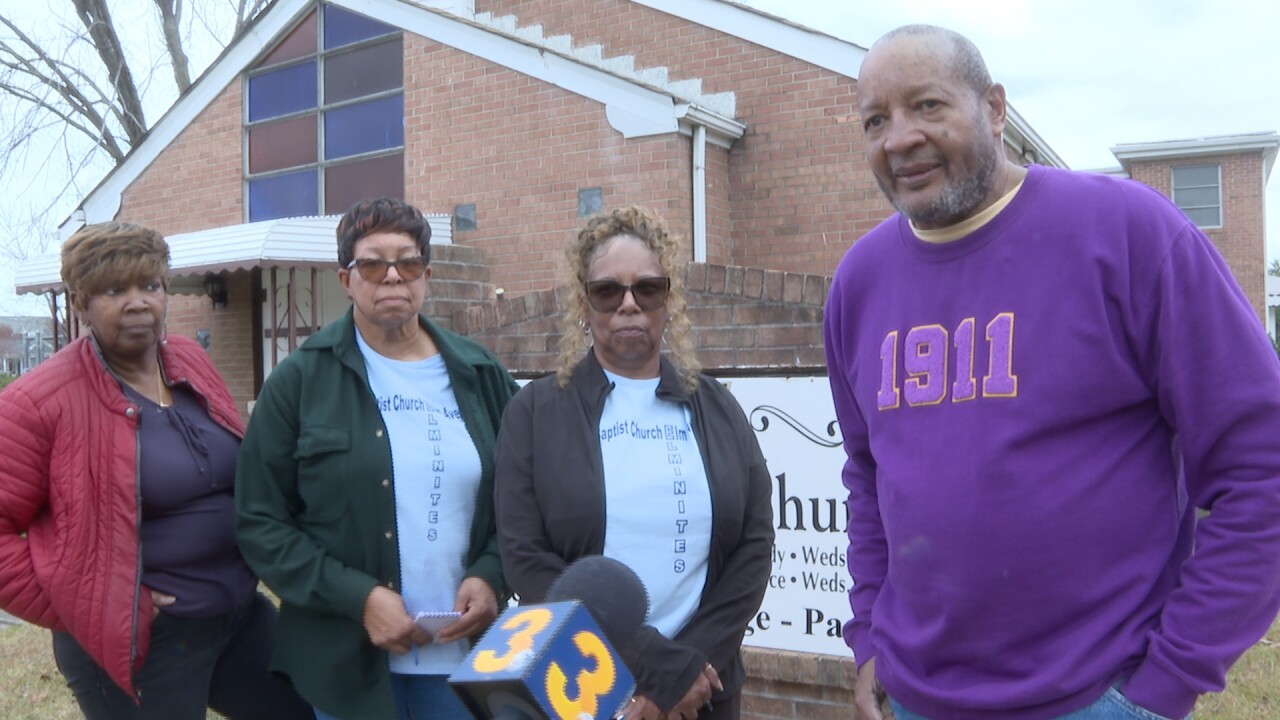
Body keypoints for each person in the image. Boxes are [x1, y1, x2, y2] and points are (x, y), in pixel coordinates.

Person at [824, 24, 1280, 720]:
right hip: (915, 698)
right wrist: (869, 638)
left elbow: (1262, 463)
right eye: (875, 120)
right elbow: (867, 476)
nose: (899, 139)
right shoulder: (859, 284)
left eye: (928, 105)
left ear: (995, 108)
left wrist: (1168, 681)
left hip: (1098, 697)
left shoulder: (1128, 234)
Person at [0, 222, 311, 720]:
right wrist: (90, 604)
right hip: (137, 642)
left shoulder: (188, 359)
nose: (138, 303)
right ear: (79, 303)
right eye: (113, 291)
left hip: (235, 613)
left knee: (307, 708)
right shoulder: (38, 403)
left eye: (150, 285)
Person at [235, 197, 518, 720]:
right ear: (346, 280)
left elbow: (523, 499)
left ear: (426, 275)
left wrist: (491, 575)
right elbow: (260, 522)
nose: (392, 276)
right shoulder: (299, 381)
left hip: (468, 661)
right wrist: (358, 598)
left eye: (407, 263)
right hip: (347, 666)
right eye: (372, 264)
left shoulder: (482, 375)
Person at [495, 206, 774, 720]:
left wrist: (689, 671)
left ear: (669, 301)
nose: (629, 305)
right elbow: (526, 560)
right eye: (608, 291)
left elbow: (753, 547)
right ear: (584, 303)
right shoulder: (533, 413)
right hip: (586, 682)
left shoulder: (717, 407)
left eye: (648, 289)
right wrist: (651, 667)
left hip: (703, 690)